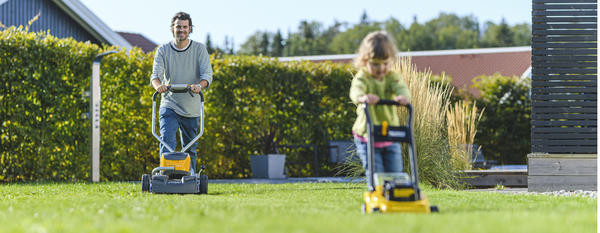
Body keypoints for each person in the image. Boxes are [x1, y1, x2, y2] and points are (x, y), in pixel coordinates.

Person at [150, 12, 213, 172]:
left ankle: (189, 177)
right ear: (172, 28)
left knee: (190, 147)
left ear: (190, 29)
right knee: (166, 142)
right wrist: (159, 86)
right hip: (169, 105)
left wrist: (200, 86)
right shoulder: (163, 50)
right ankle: (165, 175)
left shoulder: (199, 49)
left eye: (185, 27)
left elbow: (207, 74)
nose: (181, 30)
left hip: (191, 107)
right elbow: (155, 76)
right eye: (178, 27)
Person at [349, 31, 411, 176]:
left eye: (385, 63)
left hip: (390, 135)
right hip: (367, 136)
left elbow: (401, 87)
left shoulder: (392, 77)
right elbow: (355, 90)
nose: (381, 68)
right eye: (375, 64)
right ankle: (377, 193)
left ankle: (394, 196)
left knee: (395, 172)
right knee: (377, 174)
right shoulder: (363, 77)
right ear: (365, 61)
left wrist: (403, 97)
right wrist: (363, 98)